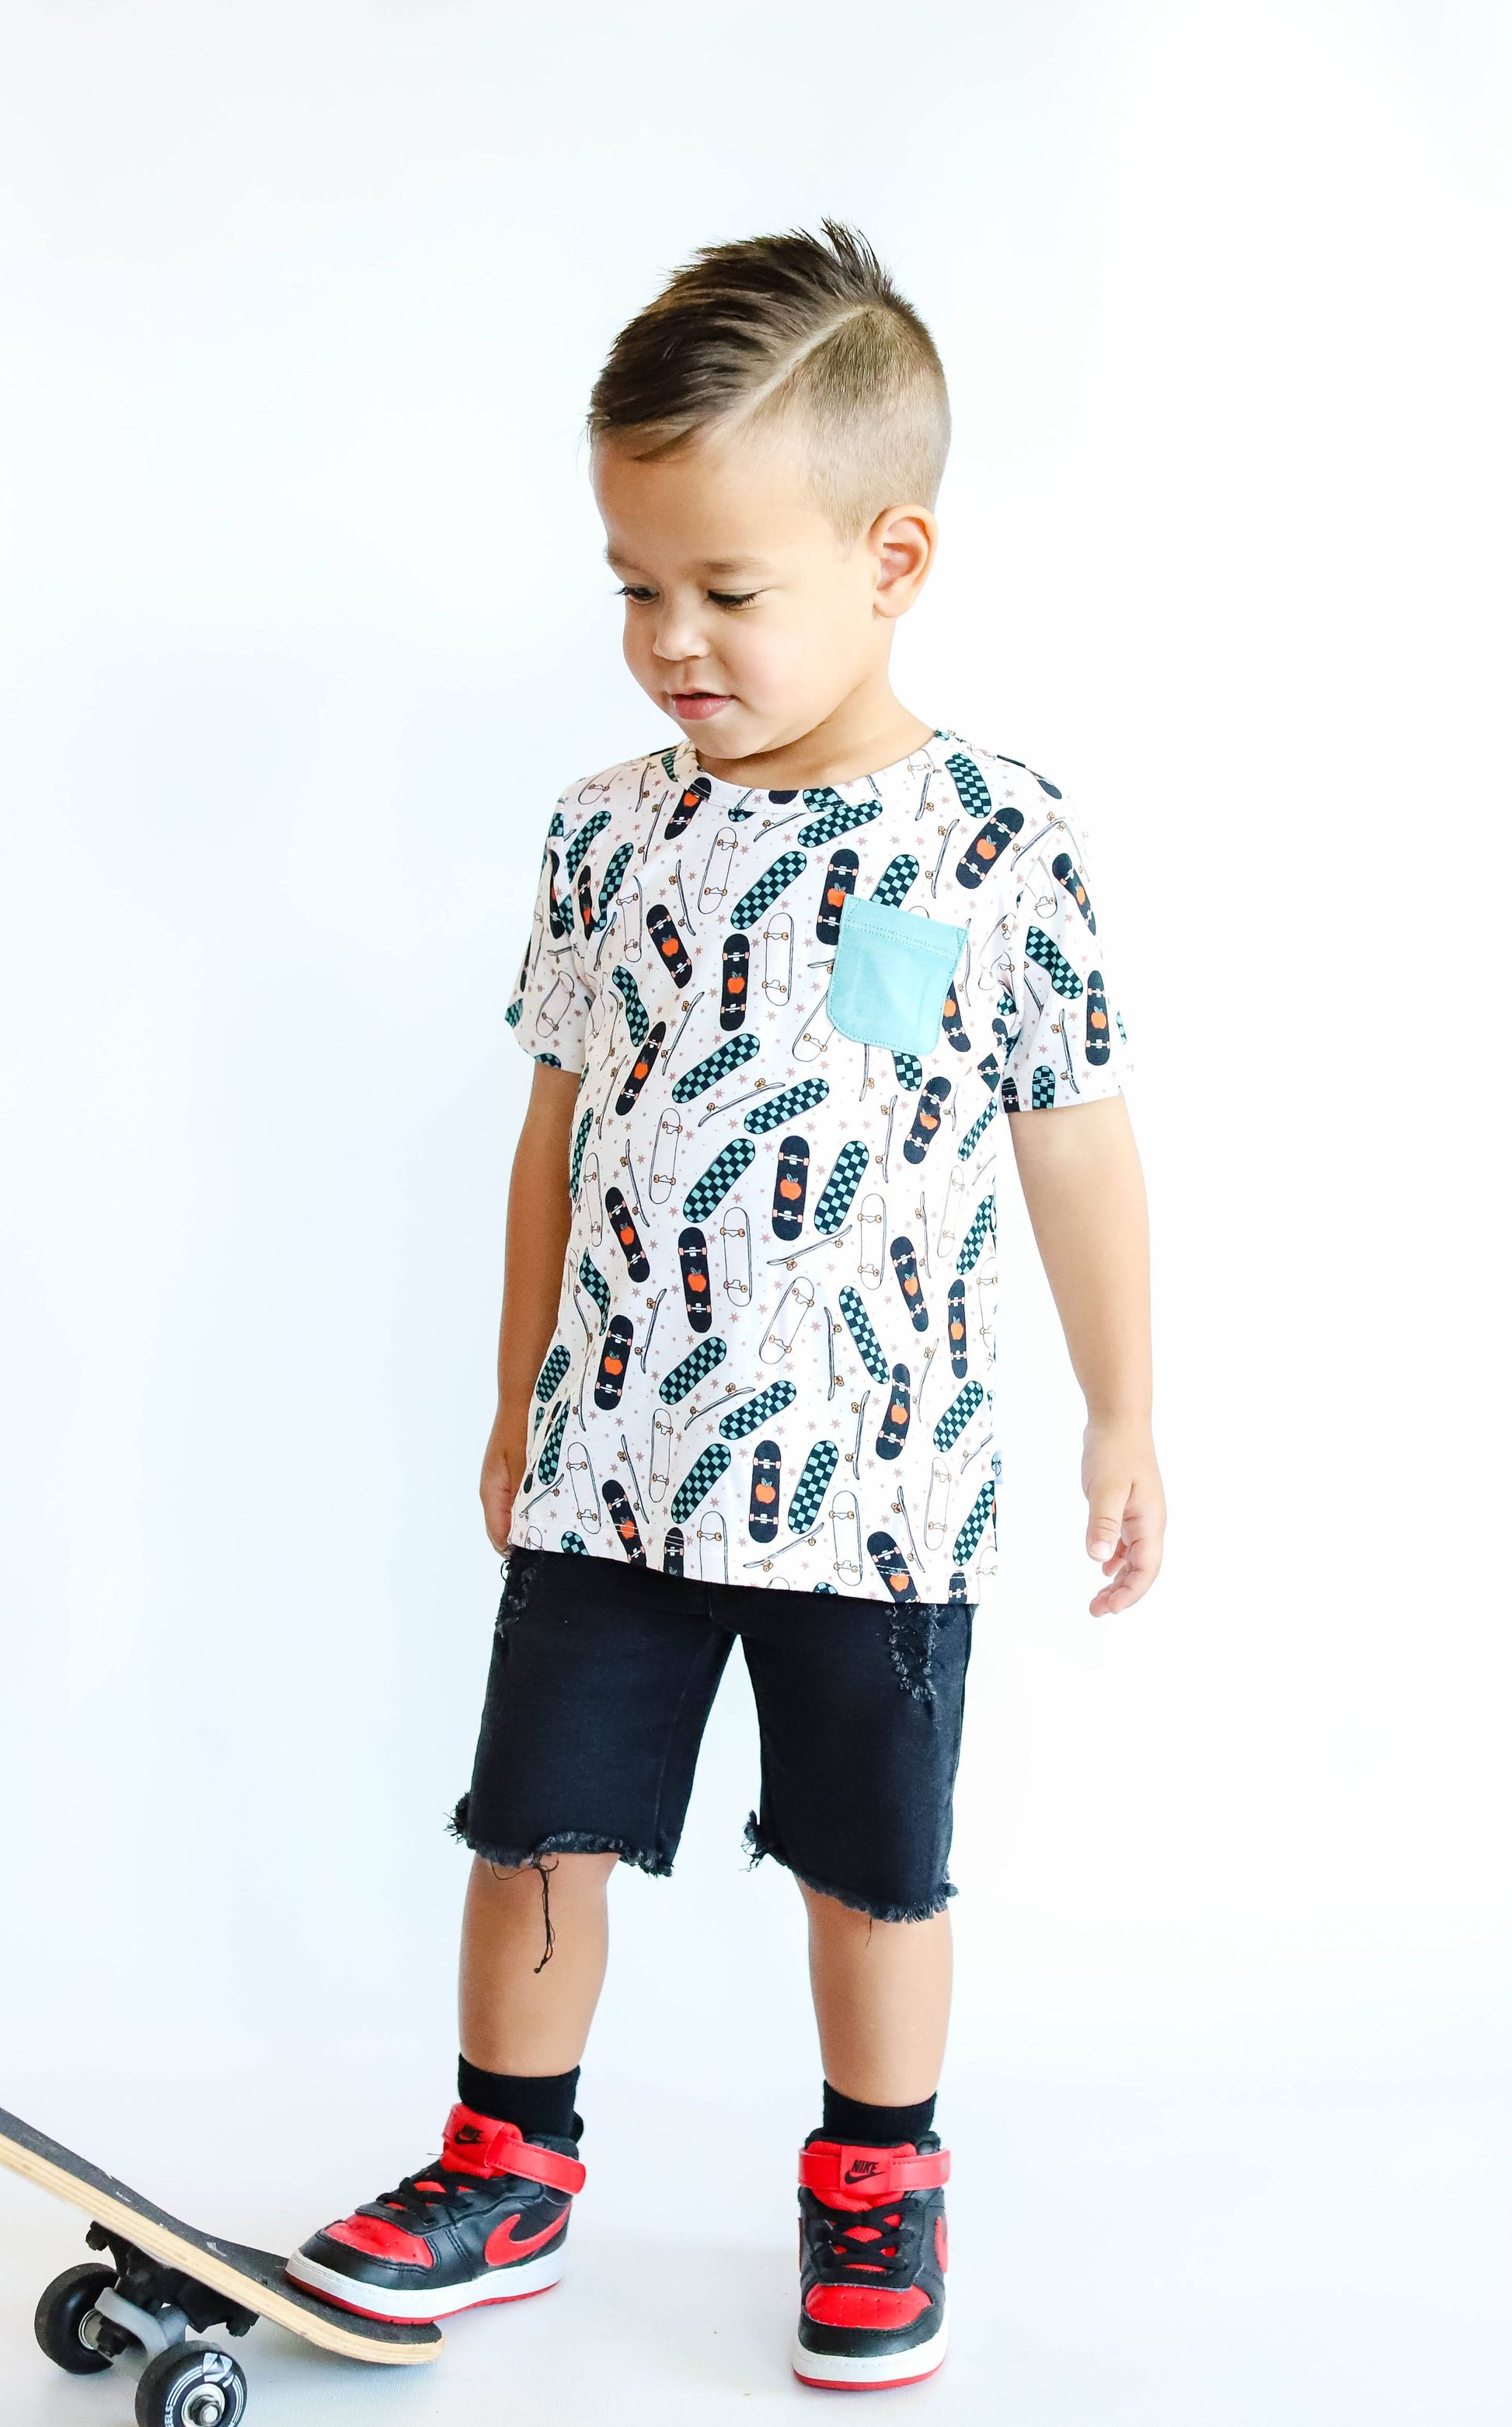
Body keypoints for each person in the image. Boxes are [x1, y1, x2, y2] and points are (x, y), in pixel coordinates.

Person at [287, 221, 1165, 2392]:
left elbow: (1071, 1138)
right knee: (536, 1829)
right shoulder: (603, 838)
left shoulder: (993, 842)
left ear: (892, 559)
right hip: (615, 1458)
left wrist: (1123, 1412)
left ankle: (880, 2177)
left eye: (724, 591)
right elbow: (552, 1133)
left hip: (878, 1486)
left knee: (873, 1863)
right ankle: (504, 2164)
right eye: (631, 585)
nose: (666, 639)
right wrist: (519, 1394)